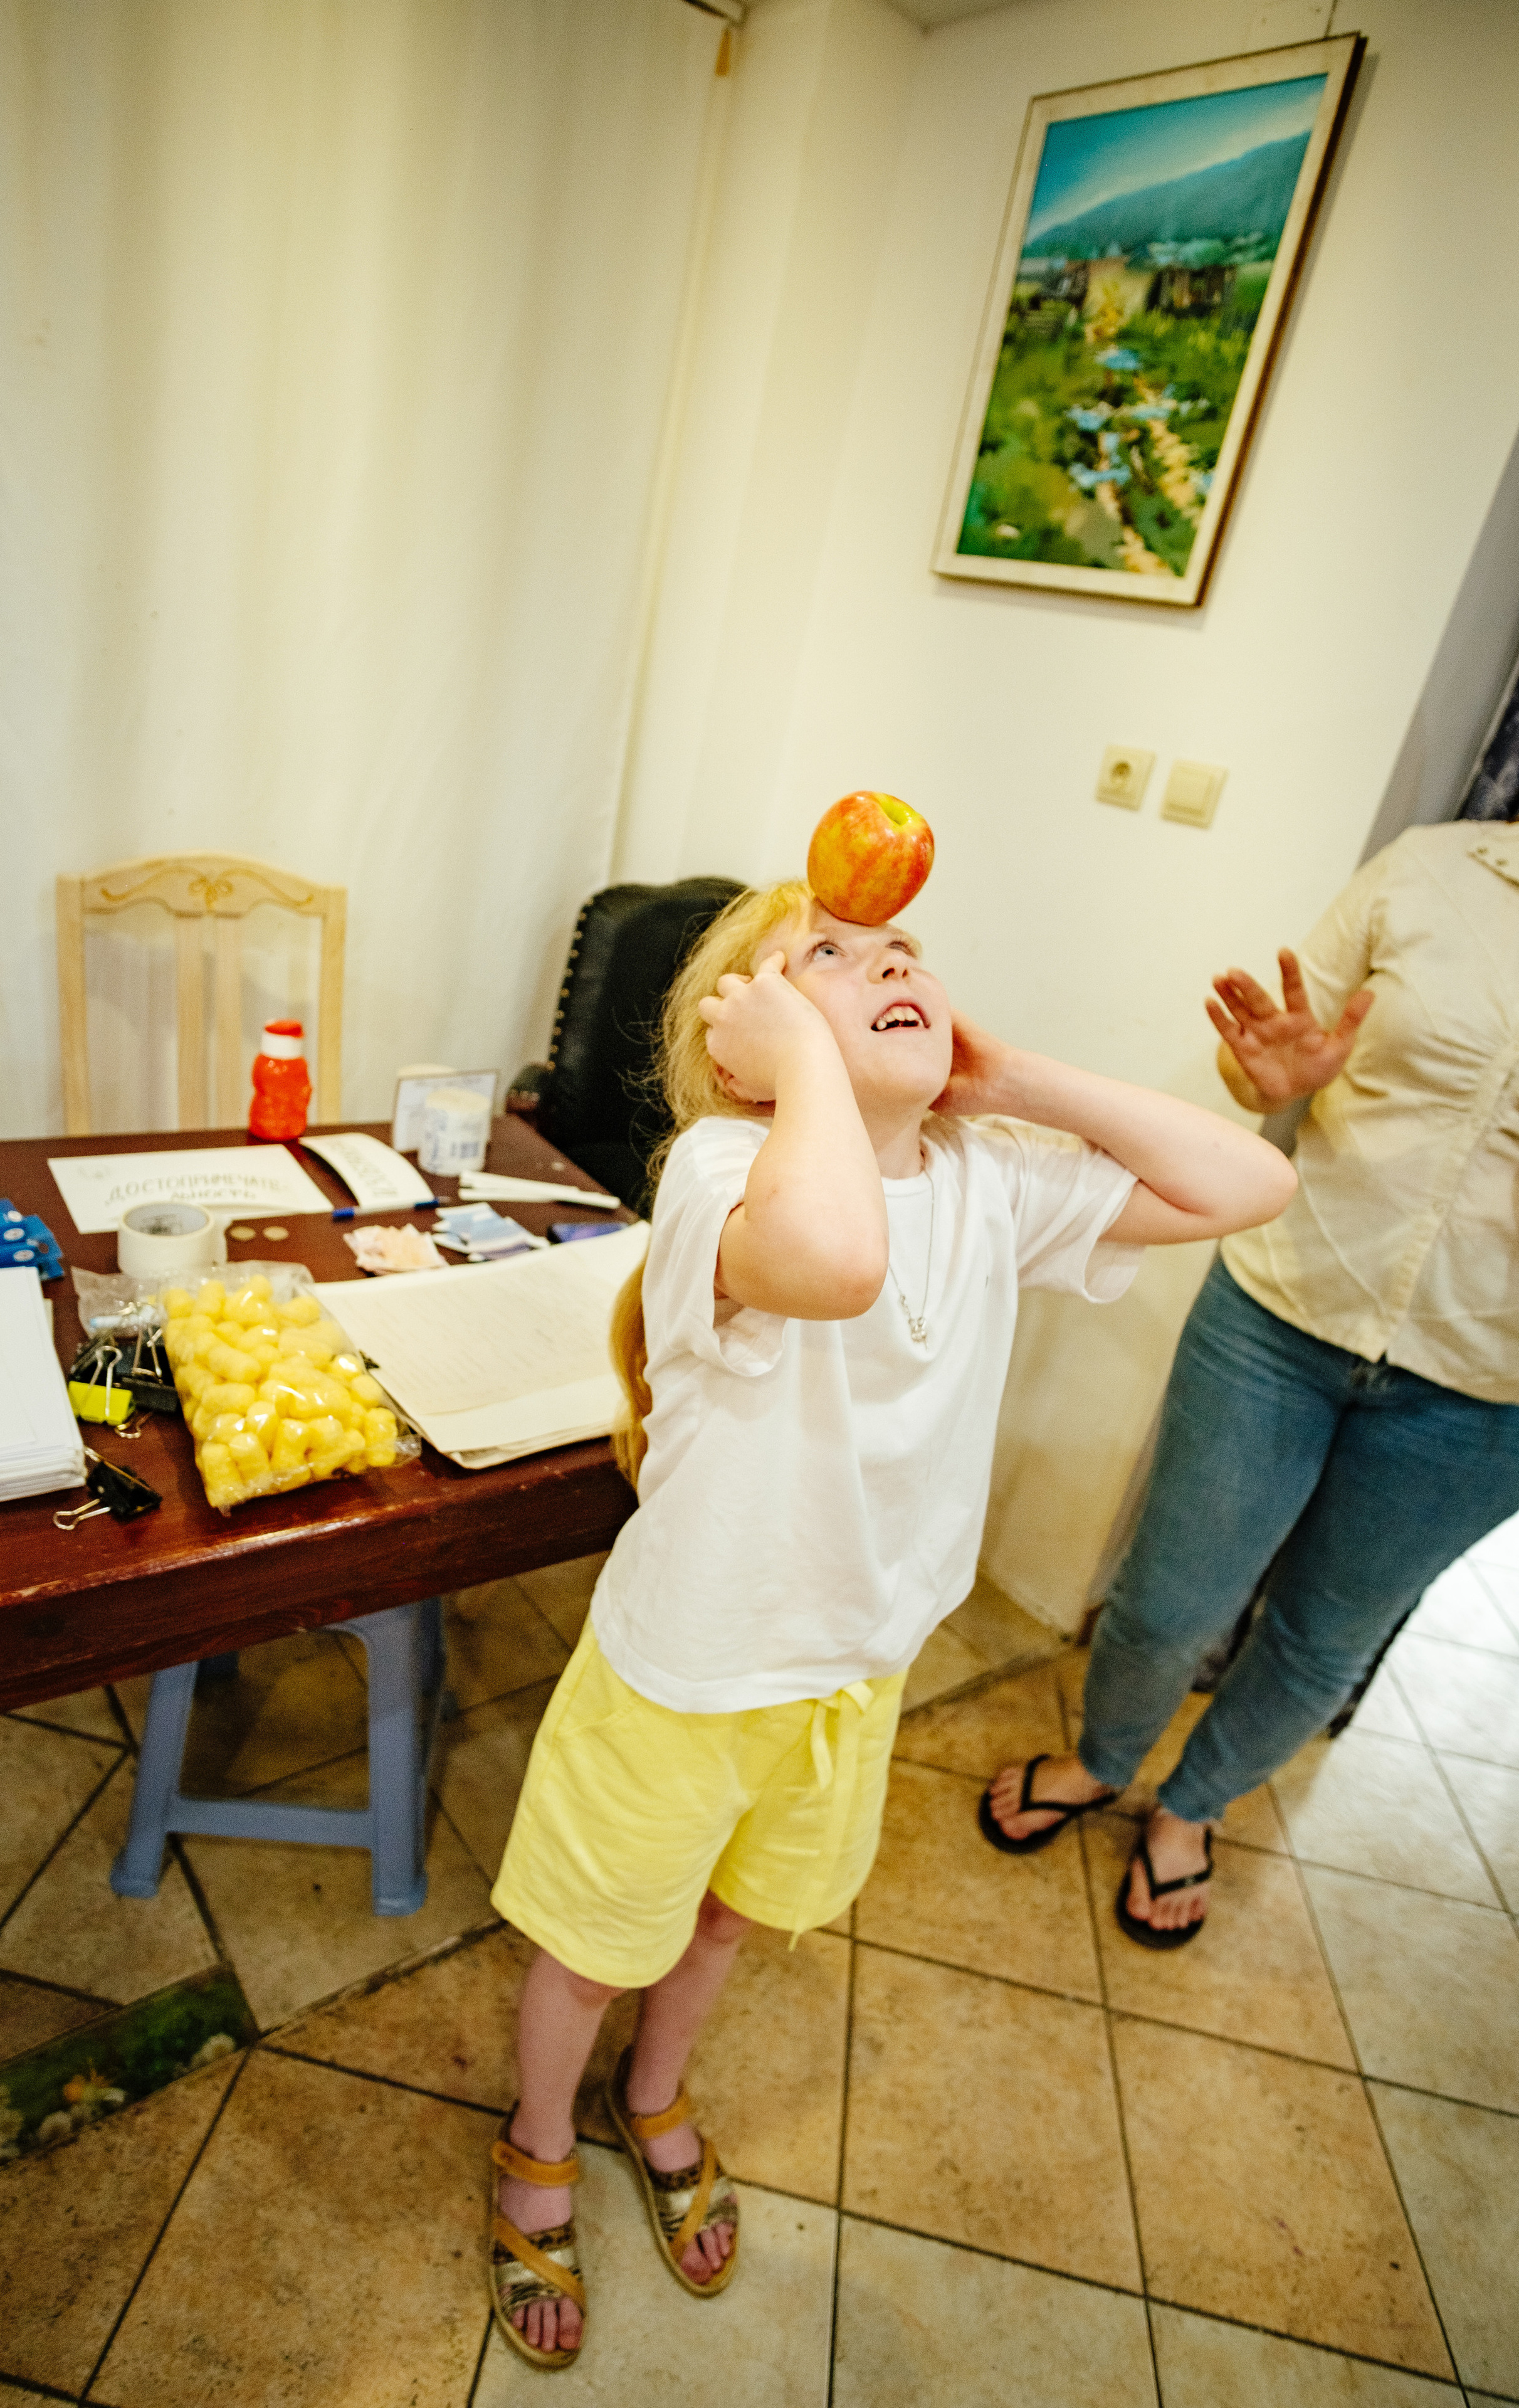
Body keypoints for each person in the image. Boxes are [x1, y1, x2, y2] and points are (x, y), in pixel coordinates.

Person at [482, 874, 1293, 2367]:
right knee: (597, 1942)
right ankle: (536, 2142)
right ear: (742, 1046)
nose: (892, 961)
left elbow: (1249, 1186)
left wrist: (1014, 1078)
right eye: (829, 962)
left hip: (854, 1673)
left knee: (727, 1922)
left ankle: (651, 2094)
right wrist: (800, 1072)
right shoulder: (723, 1170)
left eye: (903, 952)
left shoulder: (988, 1174)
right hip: (689, 1670)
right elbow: (835, 1261)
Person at [982, 816, 1519, 1945]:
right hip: (1284, 1307)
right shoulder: (1432, 868)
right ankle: (1099, 1762)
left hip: (1486, 1390)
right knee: (1169, 1599)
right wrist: (1269, 1073)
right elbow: (1261, 1057)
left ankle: (1192, 1811)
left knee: (1325, 1634)